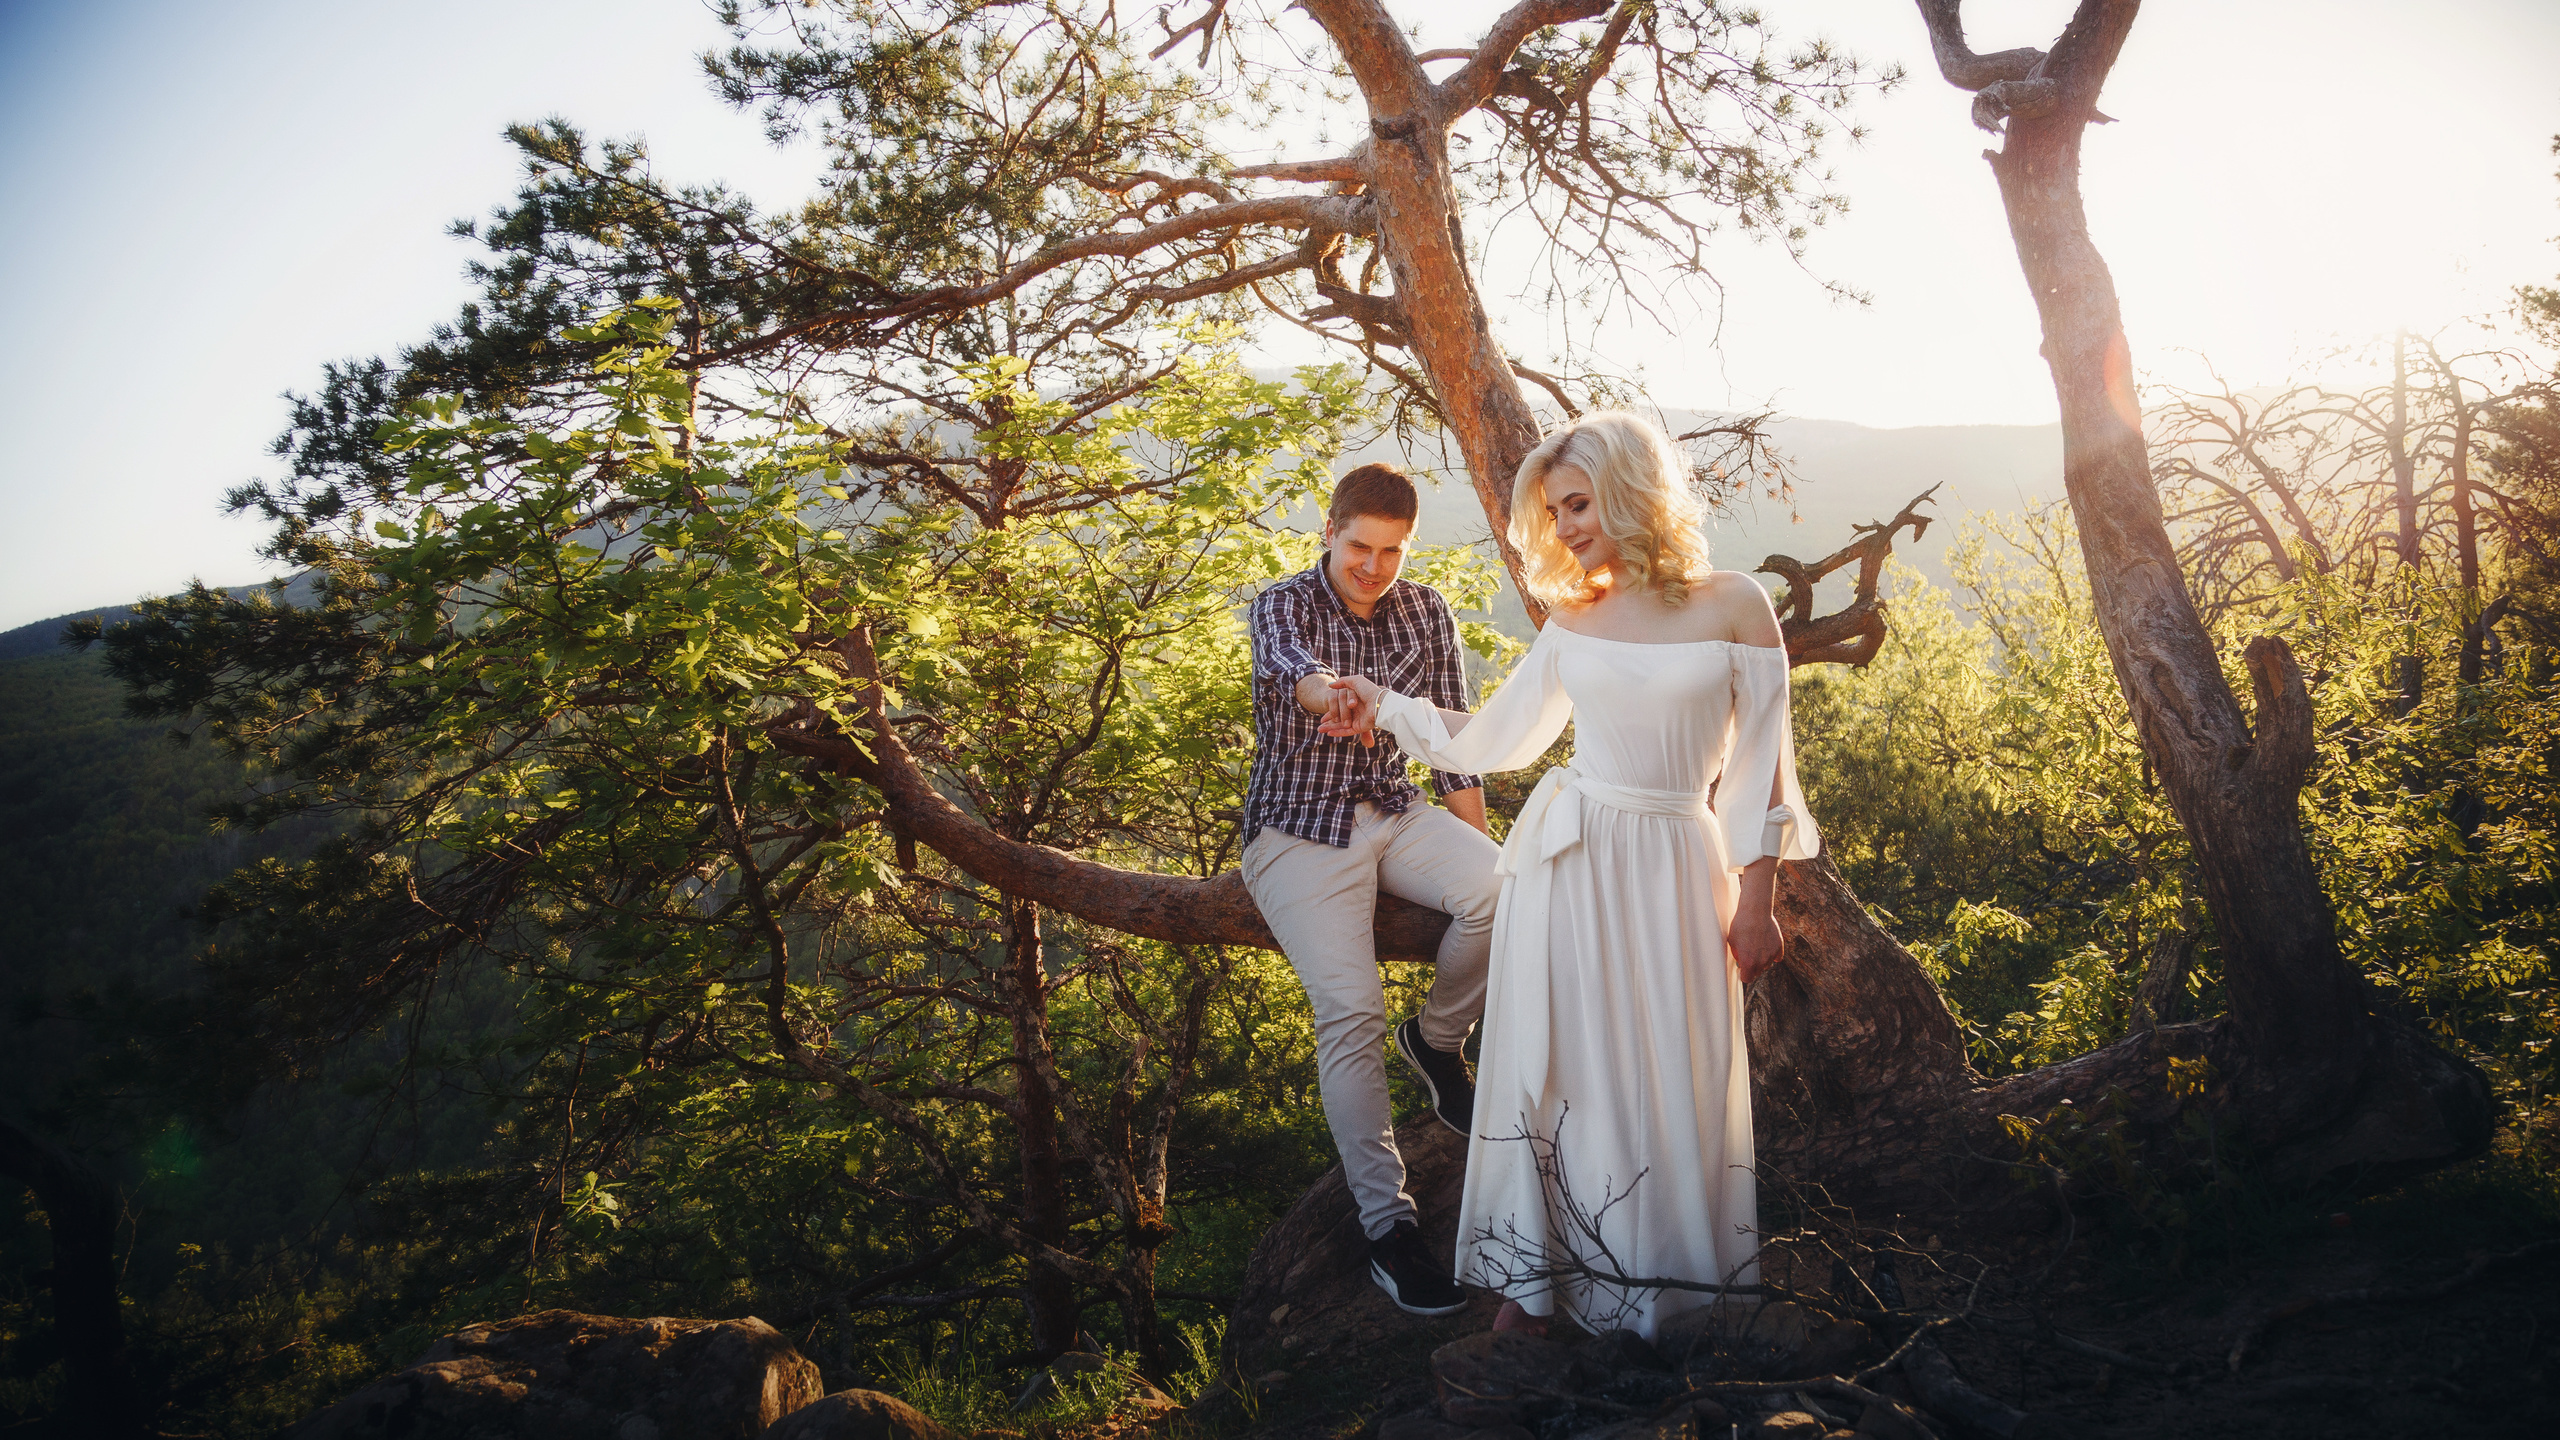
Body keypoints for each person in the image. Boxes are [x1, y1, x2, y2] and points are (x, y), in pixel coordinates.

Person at [1325, 412, 1819, 1341]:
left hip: (1678, 860)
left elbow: (1764, 774)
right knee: (1559, 1070)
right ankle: (1536, 1289)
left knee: (1671, 1068)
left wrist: (1757, 903)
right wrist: (1384, 707)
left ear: (1633, 490)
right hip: (1572, 860)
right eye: (1557, 514)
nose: (1571, 529)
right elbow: (1494, 737)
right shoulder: (1575, 614)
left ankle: (1668, 1292)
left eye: (1581, 505)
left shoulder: (1736, 604)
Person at [1241, 462, 1505, 1317]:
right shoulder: (1281, 602)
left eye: (1392, 551)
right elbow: (1297, 675)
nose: (1374, 566)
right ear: (1330, 531)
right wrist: (1342, 694)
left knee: (1506, 890)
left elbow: (1450, 739)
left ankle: (1434, 1039)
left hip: (1394, 810)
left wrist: (1479, 843)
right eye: (1361, 546)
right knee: (1348, 1011)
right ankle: (1389, 1232)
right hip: (1296, 829)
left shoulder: (1425, 609)